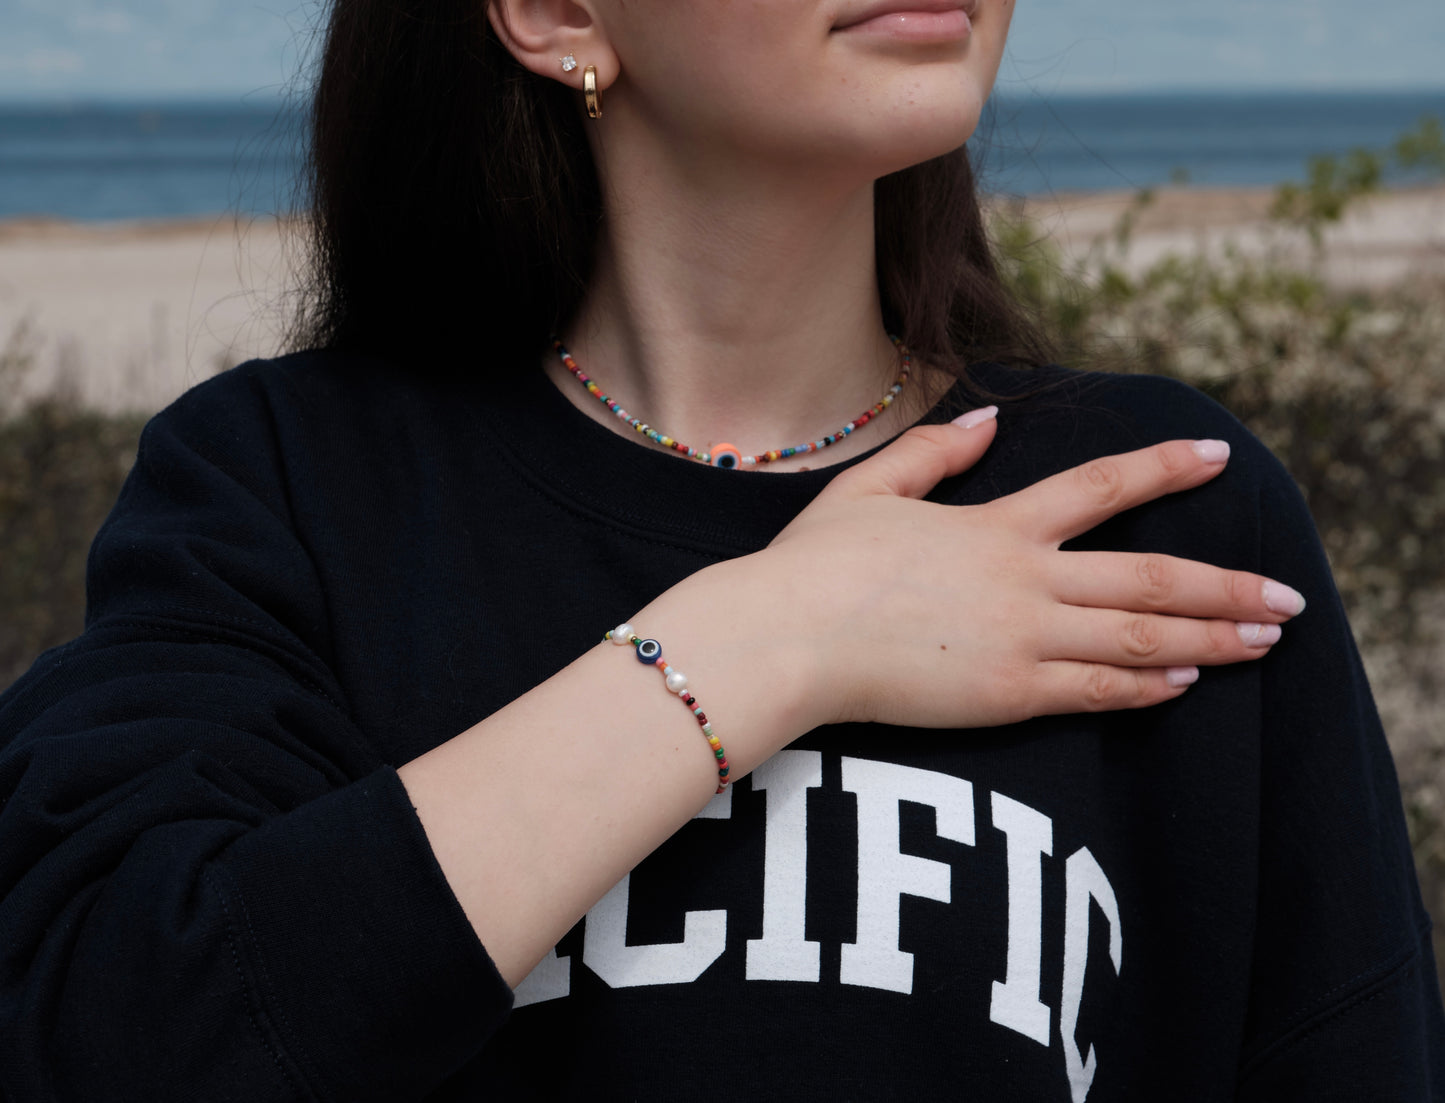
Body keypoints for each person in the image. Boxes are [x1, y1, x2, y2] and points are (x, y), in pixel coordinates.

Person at [0, 0, 1440, 1099]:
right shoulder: (286, 481)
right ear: (558, 14)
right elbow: (128, 1029)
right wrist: (770, 639)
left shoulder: (1153, 512)